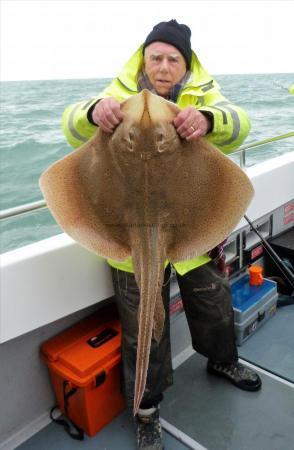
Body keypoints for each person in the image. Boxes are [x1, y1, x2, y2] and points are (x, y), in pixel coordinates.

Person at [62, 20, 262, 450]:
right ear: (144, 59)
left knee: (214, 303)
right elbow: (71, 125)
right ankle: (146, 410)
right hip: (128, 242)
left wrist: (207, 121)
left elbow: (240, 123)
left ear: (185, 65)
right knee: (143, 327)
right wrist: (94, 112)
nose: (164, 66)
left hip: (191, 232)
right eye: (157, 57)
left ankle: (223, 361)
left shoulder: (203, 95)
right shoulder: (116, 96)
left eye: (174, 59)